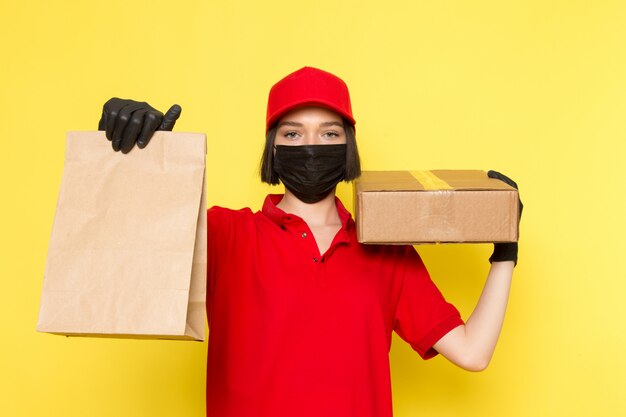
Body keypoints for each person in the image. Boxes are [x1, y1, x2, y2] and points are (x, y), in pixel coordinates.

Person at [98, 67, 522, 417]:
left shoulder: (389, 252)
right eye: (294, 134)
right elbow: (129, 261)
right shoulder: (225, 234)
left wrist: (505, 249)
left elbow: (472, 352)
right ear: (273, 150)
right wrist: (140, 161)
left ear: (349, 148)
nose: (312, 146)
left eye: (330, 134)